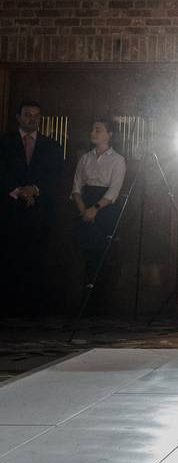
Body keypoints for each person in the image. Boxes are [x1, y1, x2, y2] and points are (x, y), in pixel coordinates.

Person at [0, 100, 63, 313]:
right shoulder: (4, 142)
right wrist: (18, 191)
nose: (32, 119)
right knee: (9, 258)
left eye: (36, 115)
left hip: (40, 212)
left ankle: (33, 309)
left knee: (36, 260)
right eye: (27, 114)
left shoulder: (52, 146)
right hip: (9, 211)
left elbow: (56, 177)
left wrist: (34, 189)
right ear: (18, 117)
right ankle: (9, 308)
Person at [71, 119, 126, 292]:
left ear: (109, 134)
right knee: (85, 254)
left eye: (98, 130)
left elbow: (114, 191)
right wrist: (84, 211)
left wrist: (95, 209)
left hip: (105, 210)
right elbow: (76, 188)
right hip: (84, 208)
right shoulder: (85, 158)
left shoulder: (118, 160)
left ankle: (101, 302)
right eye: (92, 130)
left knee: (103, 255)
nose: (93, 133)